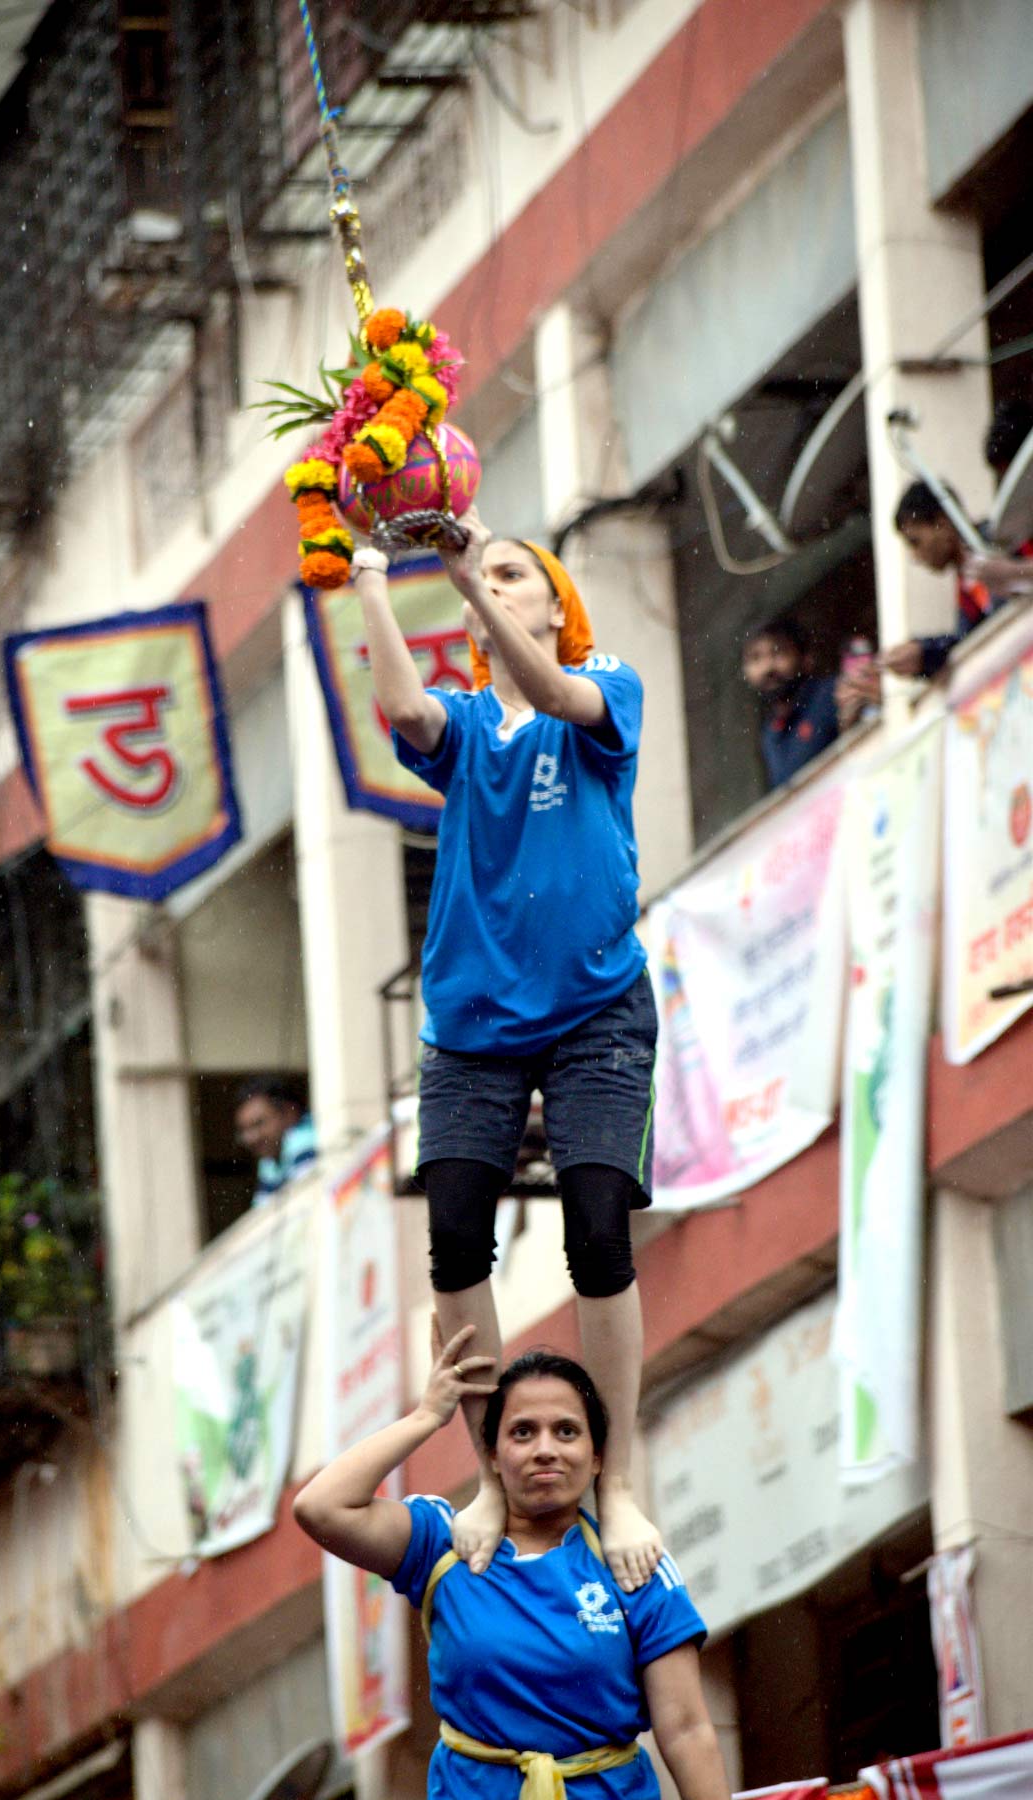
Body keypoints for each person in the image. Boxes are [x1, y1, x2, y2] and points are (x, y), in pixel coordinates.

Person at [350, 514, 660, 1594]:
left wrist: (465, 580)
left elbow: (562, 693)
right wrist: (374, 572)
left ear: (553, 606)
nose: (492, 582)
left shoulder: (605, 686)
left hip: (597, 1008)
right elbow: (402, 706)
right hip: (474, 1027)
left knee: (597, 1221)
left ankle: (615, 1475)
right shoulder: (472, 727)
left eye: (513, 574)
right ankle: (488, 1473)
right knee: (451, 1238)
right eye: (487, 575)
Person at [294, 1328, 732, 1800]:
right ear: (494, 1457)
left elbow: (687, 1730)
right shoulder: (444, 1544)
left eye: (566, 1431)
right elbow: (321, 1507)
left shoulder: (634, 1561)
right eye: (523, 1432)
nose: (545, 1448)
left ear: (598, 1456)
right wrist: (426, 1416)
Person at [879, 480, 1030, 680]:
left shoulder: (1002, 539)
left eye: (915, 542)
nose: (915, 557)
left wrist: (1013, 571)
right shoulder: (965, 584)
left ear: (942, 523)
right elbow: (967, 641)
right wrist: (923, 655)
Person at [740, 615, 842, 788]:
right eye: (755, 658)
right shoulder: (770, 734)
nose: (768, 667)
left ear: (806, 659)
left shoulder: (831, 695)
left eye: (778, 652)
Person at [233, 1078, 316, 1204]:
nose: (251, 1138)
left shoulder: (304, 1138)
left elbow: (305, 1201)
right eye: (244, 1131)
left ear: (289, 1113)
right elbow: (262, 1210)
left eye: (259, 1123)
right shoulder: (268, 1161)